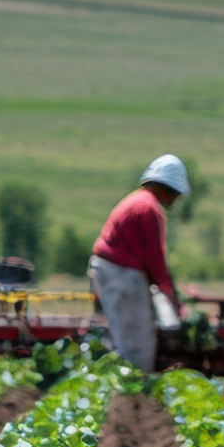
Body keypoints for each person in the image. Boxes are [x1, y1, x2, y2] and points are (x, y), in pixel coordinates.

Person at [89, 154, 188, 372]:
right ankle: (133, 397)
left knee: (121, 339)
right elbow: (154, 258)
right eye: (176, 194)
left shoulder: (135, 201)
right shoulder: (150, 209)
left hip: (107, 269)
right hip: (122, 274)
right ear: (168, 189)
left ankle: (120, 390)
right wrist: (171, 295)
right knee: (138, 346)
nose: (175, 199)